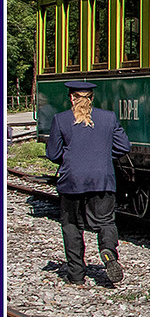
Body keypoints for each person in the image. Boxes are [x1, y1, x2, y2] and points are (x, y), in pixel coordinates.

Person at [44, 82, 132, 285]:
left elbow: (53, 153)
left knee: (72, 226)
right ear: (92, 98)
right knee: (106, 222)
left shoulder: (61, 119)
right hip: (102, 179)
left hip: (72, 181)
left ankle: (76, 275)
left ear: (71, 98)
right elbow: (124, 146)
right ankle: (108, 252)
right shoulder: (108, 118)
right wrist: (101, 156)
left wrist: (71, 159)